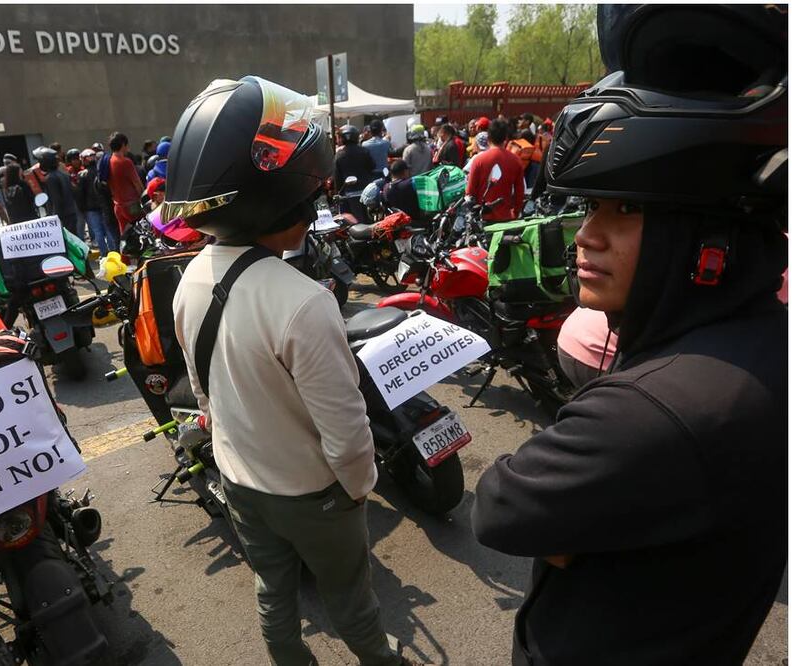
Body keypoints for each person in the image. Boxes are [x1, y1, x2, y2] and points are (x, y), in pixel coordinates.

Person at [472, 5, 787, 665]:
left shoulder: (647, 413)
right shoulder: (762, 339)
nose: (587, 234)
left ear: (704, 234)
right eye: (590, 206)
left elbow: (499, 504)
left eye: (627, 208)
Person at [166, 76, 418, 666]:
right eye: (301, 200)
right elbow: (348, 431)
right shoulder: (305, 301)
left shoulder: (191, 277)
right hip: (312, 495)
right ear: (271, 202)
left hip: (239, 482)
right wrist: (358, 491)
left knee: (273, 594)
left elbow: (204, 390)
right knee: (351, 602)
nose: (311, 212)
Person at [466, 119, 525, 222]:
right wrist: (515, 212)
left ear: (488, 138)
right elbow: (519, 193)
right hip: (506, 218)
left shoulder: (478, 160)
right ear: (505, 138)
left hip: (483, 218)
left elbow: (470, 192)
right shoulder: (516, 160)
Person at [32, 147, 80, 235]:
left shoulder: (50, 178)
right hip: (70, 214)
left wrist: (53, 220)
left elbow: (56, 200)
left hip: (62, 217)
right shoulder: (63, 175)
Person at [76, 149, 116, 253]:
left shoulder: (82, 174)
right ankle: (114, 253)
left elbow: (80, 194)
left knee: (98, 232)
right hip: (104, 205)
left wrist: (82, 208)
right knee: (108, 230)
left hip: (90, 209)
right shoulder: (101, 172)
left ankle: (104, 254)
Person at [107, 132, 145, 235]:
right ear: (123, 144)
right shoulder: (125, 162)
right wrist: (145, 199)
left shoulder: (109, 161)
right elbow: (137, 184)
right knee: (141, 234)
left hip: (118, 206)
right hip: (132, 206)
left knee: (125, 236)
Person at [333, 125, 375, 191]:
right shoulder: (365, 151)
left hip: (347, 190)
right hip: (365, 189)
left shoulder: (339, 155)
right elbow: (372, 166)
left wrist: (338, 191)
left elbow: (337, 177)